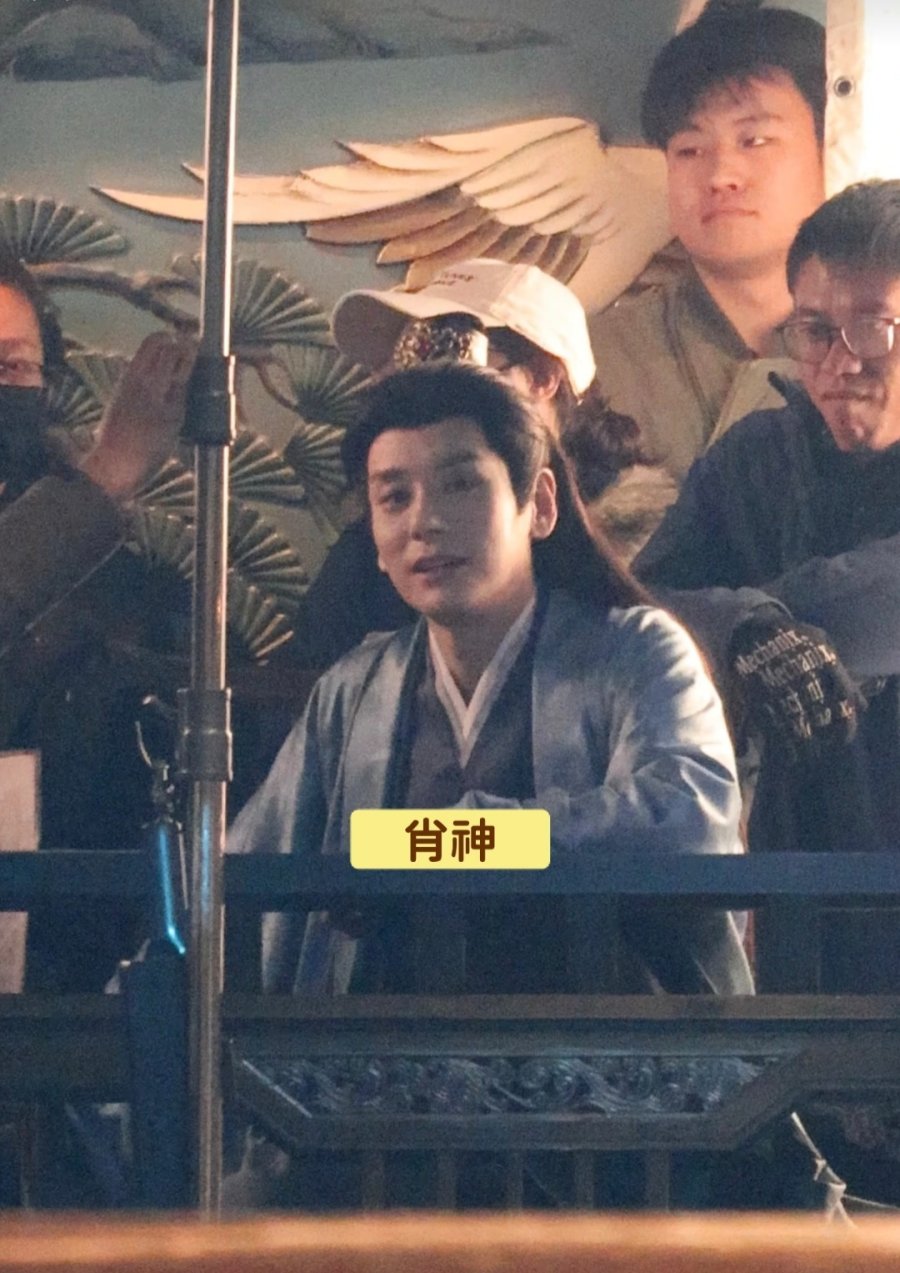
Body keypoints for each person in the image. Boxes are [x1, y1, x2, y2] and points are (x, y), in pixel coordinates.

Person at [231, 361, 752, 1000]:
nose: (424, 521)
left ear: (540, 505)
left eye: (460, 485)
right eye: (394, 497)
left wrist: (452, 838)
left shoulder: (637, 652)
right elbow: (251, 871)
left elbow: (687, 824)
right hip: (389, 1049)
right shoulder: (352, 690)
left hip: (602, 1049)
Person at [635, 178, 900, 998]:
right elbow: (641, 612)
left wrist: (749, 614)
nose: (841, 363)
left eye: (874, 329)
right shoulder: (751, 460)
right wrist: (744, 627)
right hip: (790, 865)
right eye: (815, 330)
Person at [287, 258, 666, 668]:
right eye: (403, 373)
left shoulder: (656, 547)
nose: (422, 401)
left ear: (543, 376)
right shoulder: (371, 554)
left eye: (453, 365)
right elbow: (300, 685)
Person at [0, 253, 196, 994]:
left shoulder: (119, 583)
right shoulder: (79, 519)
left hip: (71, 985)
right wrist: (110, 469)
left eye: (14, 366)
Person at [590, 6, 826, 522]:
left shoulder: (878, 343)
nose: (721, 175)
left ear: (830, 146)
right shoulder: (595, 364)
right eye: (690, 150)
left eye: (754, 140)